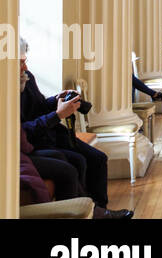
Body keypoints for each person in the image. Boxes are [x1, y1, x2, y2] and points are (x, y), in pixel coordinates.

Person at [19, 39, 133, 218]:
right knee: (77, 161)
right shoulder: (7, 88)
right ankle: (93, 212)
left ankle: (100, 209)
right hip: (35, 143)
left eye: (25, 61)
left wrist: (58, 99)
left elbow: (39, 105)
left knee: (98, 158)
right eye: (20, 62)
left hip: (50, 133)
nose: (25, 67)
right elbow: (21, 132)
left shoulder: (28, 77)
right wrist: (57, 116)